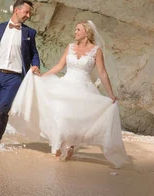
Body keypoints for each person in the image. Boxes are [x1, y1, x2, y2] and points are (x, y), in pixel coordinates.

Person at [9, 20, 130, 167]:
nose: (75, 32)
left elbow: (102, 73)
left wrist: (110, 94)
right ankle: (59, 146)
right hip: (65, 86)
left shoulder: (96, 50)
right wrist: (43, 76)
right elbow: (59, 66)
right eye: (75, 30)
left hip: (84, 90)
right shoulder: (70, 47)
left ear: (87, 32)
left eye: (78, 30)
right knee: (61, 116)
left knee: (75, 121)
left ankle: (70, 145)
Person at [0, 0, 41, 143]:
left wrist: (36, 64)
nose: (28, 16)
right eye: (26, 12)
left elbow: (34, 53)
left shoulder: (30, 32)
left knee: (3, 109)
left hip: (14, 77)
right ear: (16, 10)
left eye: (29, 13)